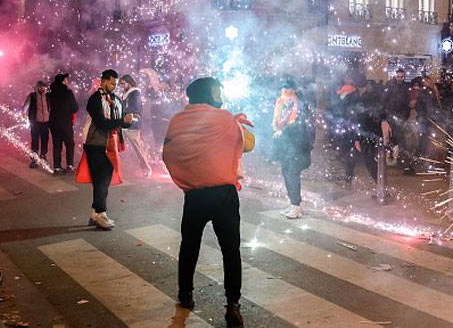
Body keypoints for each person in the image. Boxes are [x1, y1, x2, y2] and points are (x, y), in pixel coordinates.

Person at [162, 77, 253, 327]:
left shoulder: (178, 121)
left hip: (194, 195)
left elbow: (168, 153)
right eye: (218, 90)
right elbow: (246, 144)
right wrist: (235, 125)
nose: (221, 94)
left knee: (189, 246)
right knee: (230, 250)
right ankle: (233, 305)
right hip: (224, 194)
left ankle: (185, 295)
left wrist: (188, 176)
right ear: (210, 93)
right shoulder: (225, 118)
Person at [75, 69, 134, 230]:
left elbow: (121, 121)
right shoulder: (94, 99)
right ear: (103, 81)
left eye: (116, 84)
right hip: (96, 143)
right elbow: (101, 123)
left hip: (111, 143)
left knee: (103, 180)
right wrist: (122, 121)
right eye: (113, 83)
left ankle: (96, 213)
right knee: (101, 180)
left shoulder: (116, 99)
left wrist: (129, 121)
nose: (115, 87)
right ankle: (101, 213)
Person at [272, 78, 315, 219]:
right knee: (286, 172)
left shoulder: (299, 104)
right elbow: (279, 121)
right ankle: (292, 203)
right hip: (286, 145)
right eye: (283, 87)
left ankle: (296, 206)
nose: (285, 90)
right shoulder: (283, 102)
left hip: (297, 145)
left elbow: (299, 125)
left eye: (288, 88)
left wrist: (283, 131)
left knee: (292, 173)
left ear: (295, 89)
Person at [343, 78, 391, 186]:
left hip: (365, 134)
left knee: (369, 161)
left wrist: (357, 138)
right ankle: (349, 179)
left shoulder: (366, 99)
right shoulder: (358, 98)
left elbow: (360, 120)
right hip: (362, 133)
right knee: (354, 158)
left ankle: (382, 187)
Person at [119, 74, 152, 178]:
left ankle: (146, 168)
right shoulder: (126, 94)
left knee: (138, 148)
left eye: (123, 84)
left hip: (132, 124)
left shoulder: (135, 93)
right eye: (121, 84)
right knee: (115, 145)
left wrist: (122, 111)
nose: (122, 86)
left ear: (129, 83)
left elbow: (134, 108)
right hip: (123, 123)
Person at [49, 73, 79, 174]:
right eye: (66, 80)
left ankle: (57, 167)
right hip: (65, 122)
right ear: (62, 81)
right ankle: (69, 166)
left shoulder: (51, 93)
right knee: (69, 144)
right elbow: (75, 107)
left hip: (53, 123)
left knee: (57, 145)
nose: (68, 82)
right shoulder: (68, 93)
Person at [23, 80, 50, 168]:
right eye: (40, 86)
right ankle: (34, 159)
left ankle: (43, 155)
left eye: (43, 86)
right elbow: (26, 104)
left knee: (45, 139)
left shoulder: (47, 96)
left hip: (45, 122)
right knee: (35, 140)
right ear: (37, 87)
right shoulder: (32, 96)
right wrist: (23, 113)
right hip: (35, 122)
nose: (42, 88)